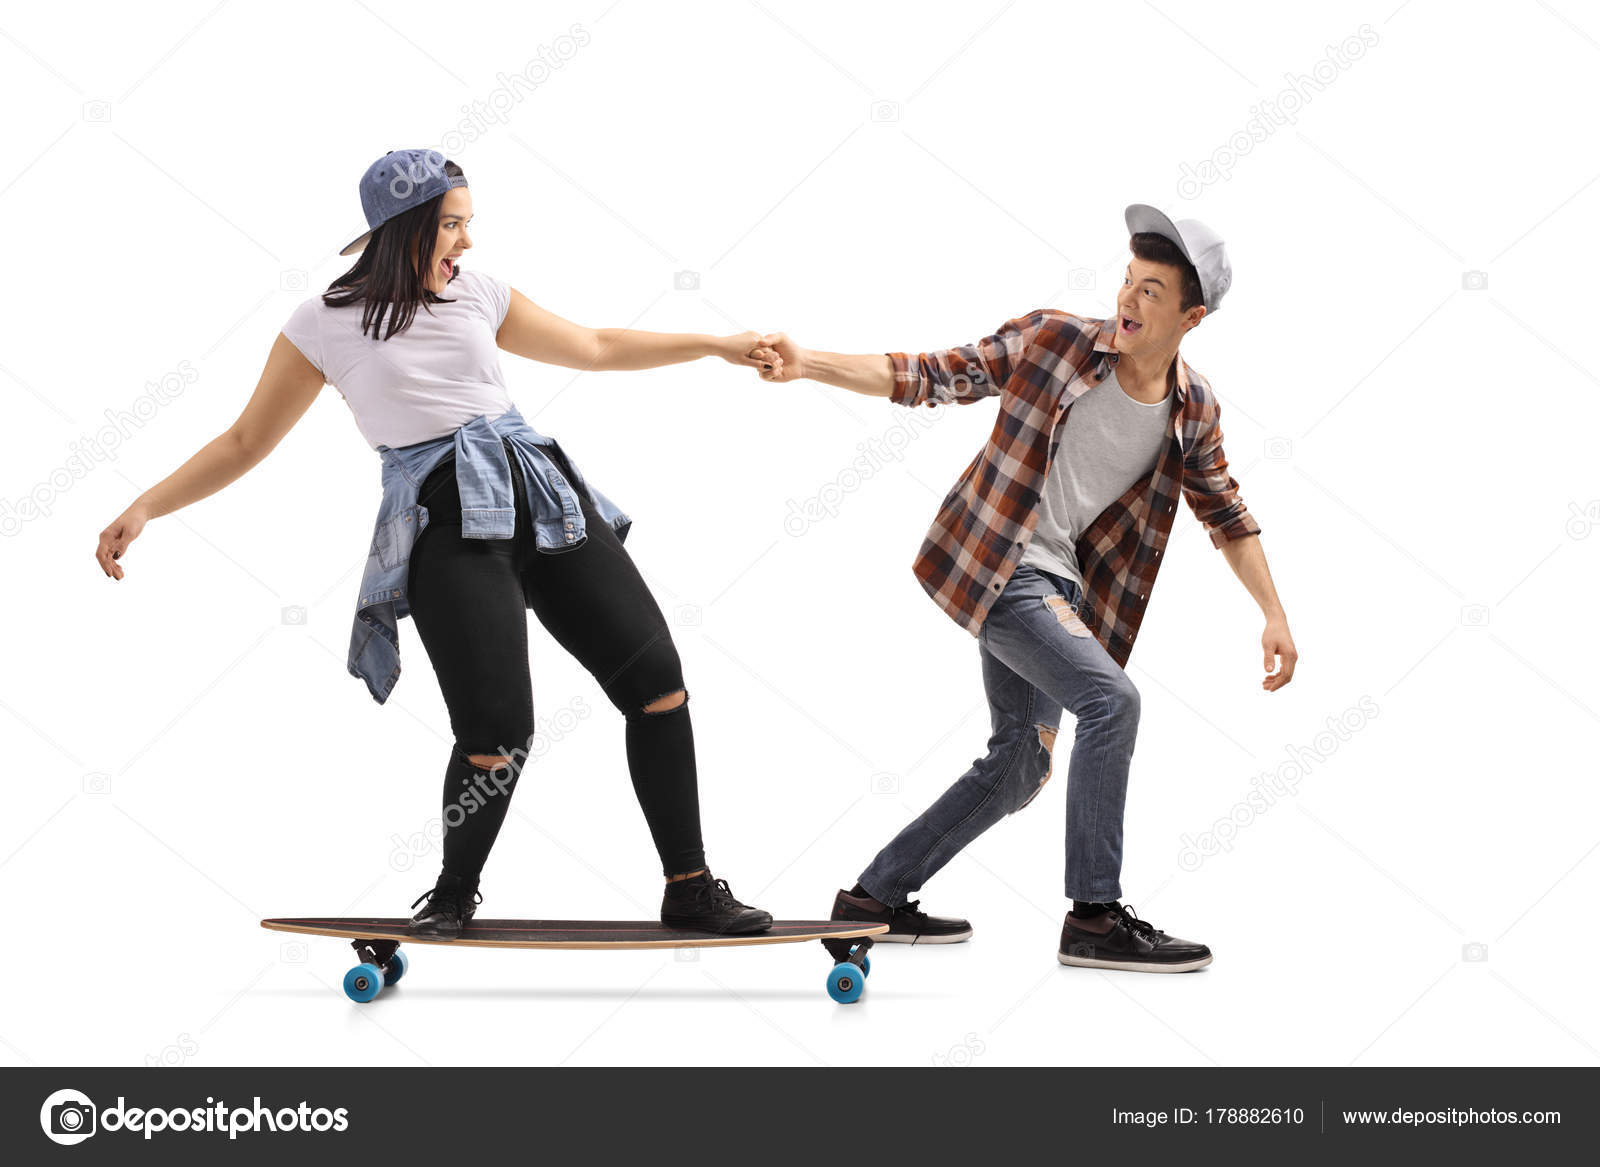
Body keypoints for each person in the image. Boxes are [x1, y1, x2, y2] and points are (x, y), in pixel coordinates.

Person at [94, 149, 776, 939]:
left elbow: (593, 345)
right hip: (445, 521)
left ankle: (689, 887)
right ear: (404, 229)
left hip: (545, 501)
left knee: (658, 685)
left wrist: (715, 344)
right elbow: (246, 439)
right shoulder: (322, 322)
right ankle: (452, 896)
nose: (467, 243)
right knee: (498, 732)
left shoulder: (480, 292)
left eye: (468, 224)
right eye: (452, 225)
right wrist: (147, 504)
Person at [751, 205, 1297, 971]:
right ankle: (1095, 917)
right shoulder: (1055, 341)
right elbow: (934, 373)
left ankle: (874, 898)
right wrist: (810, 362)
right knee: (1113, 701)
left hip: (1061, 593)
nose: (1129, 303)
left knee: (1020, 763)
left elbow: (1227, 513)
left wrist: (1272, 612)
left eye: (1152, 293)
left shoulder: (1192, 407)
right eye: (1128, 283)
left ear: (1192, 315)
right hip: (999, 568)